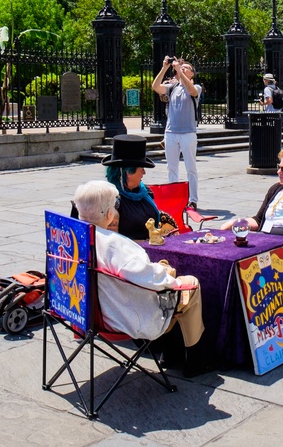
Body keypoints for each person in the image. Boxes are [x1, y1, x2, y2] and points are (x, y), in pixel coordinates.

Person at [72, 180, 203, 347]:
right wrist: (170, 276)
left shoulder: (74, 238)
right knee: (190, 283)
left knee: (166, 275)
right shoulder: (114, 244)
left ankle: (176, 352)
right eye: (115, 205)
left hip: (90, 314)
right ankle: (196, 355)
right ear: (108, 214)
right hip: (124, 318)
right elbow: (151, 279)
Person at [152, 56, 201, 208]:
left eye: (187, 68)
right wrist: (164, 67)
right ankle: (174, 197)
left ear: (192, 73)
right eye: (182, 67)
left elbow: (192, 91)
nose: (183, 68)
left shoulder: (196, 87)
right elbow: (155, 86)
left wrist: (180, 71)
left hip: (188, 133)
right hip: (171, 132)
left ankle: (192, 199)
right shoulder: (172, 87)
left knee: (190, 168)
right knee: (171, 167)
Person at [100, 134, 160, 241]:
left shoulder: (145, 192)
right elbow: (112, 241)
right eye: (141, 168)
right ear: (129, 172)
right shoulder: (112, 200)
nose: (144, 172)